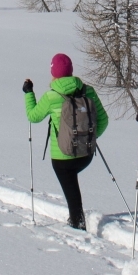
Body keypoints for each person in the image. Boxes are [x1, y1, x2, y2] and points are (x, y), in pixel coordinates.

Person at [22, 53, 109, 230]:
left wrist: (28, 93)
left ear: (53, 73)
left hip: (62, 156)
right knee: (72, 183)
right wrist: (88, 139)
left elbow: (33, 117)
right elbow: (104, 120)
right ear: (71, 71)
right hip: (86, 154)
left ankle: (77, 223)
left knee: (70, 184)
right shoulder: (88, 91)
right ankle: (77, 218)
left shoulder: (51, 96)